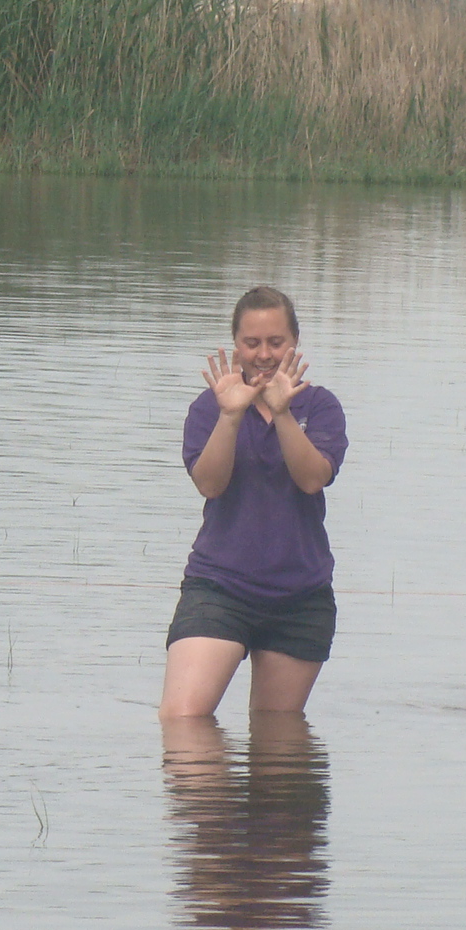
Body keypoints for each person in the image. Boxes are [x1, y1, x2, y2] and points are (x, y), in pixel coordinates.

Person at [159, 286, 348, 720]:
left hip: (300, 595)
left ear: (294, 343)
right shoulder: (210, 408)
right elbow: (209, 484)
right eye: (252, 343)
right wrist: (230, 416)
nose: (264, 354)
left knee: (275, 746)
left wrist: (282, 413)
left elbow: (312, 478)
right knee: (182, 719)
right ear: (236, 346)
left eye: (275, 342)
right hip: (219, 587)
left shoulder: (319, 406)